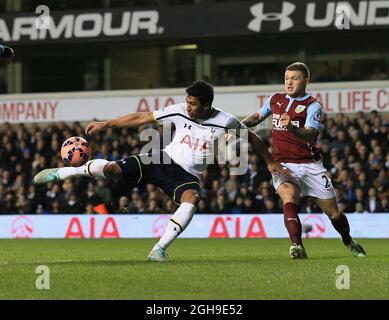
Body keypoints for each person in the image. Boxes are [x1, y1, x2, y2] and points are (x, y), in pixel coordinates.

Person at [34, 80, 290, 262]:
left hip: (186, 174)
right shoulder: (179, 110)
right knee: (112, 169)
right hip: (161, 159)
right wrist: (106, 124)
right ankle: (63, 173)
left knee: (192, 200)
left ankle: (159, 249)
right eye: (187, 102)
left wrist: (269, 161)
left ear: (206, 104)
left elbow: (253, 139)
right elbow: (142, 118)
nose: (187, 106)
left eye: (192, 103)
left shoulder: (227, 121)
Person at [242, 62, 366, 259]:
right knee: (289, 197)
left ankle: (348, 240)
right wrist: (235, 127)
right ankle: (297, 246)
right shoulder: (275, 99)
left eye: (295, 78)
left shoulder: (313, 105)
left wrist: (291, 128)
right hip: (283, 164)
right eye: (287, 78)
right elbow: (257, 116)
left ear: (306, 81)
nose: (289, 83)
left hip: (311, 166)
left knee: (334, 214)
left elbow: (309, 135)